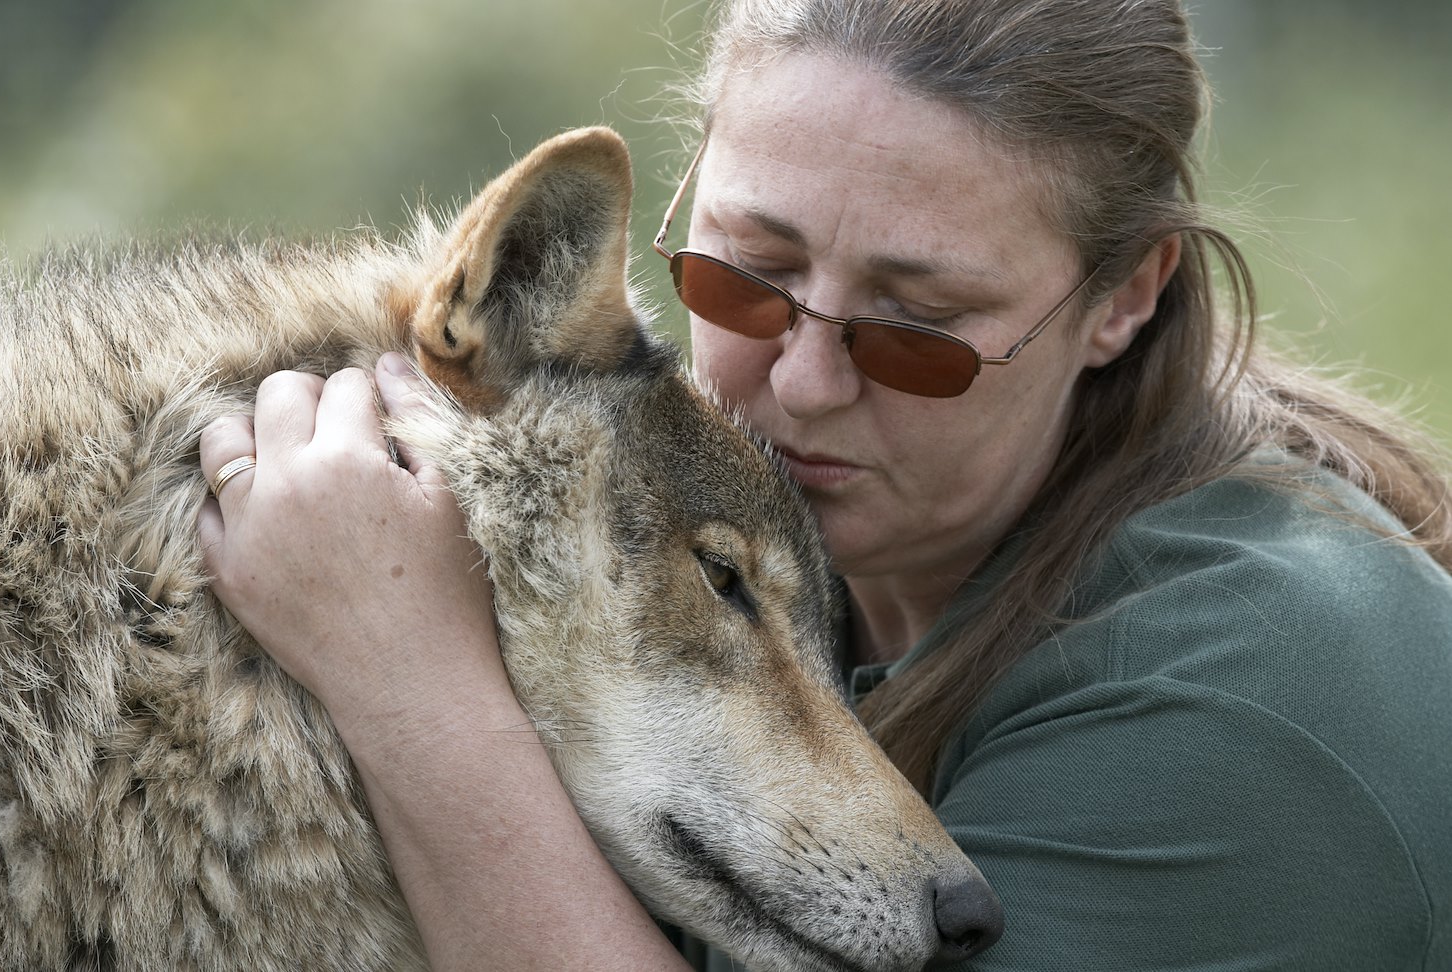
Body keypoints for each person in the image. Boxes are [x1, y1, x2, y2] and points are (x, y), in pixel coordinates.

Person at [197, 0, 1452, 968]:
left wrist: (403, 681)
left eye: (916, 326)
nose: (797, 386)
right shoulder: (776, 544)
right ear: (686, 200)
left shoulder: (1260, 694)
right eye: (746, 276)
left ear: (1123, 298)